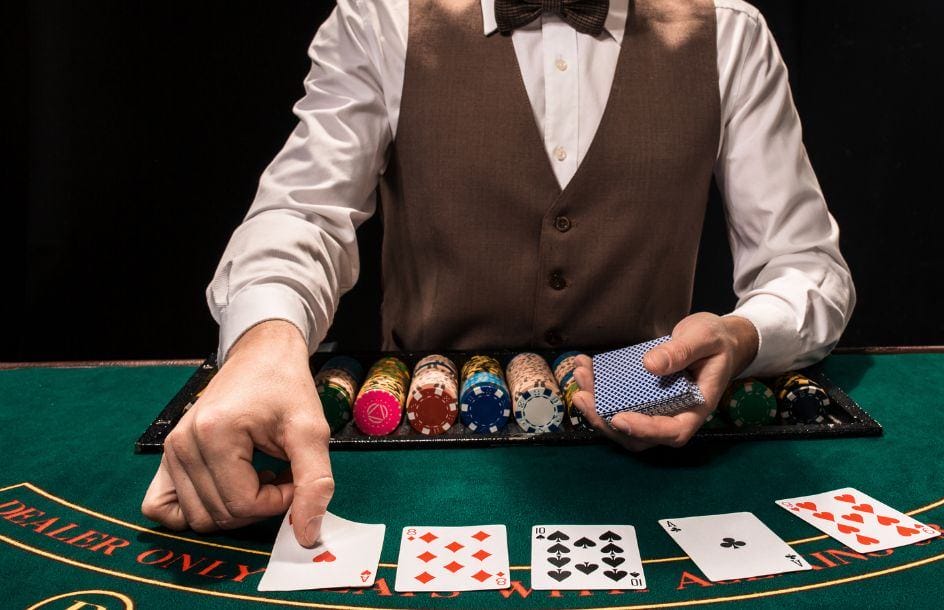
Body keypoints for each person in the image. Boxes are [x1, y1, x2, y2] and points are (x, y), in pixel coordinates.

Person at [142, 0, 856, 548]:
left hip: (645, 422)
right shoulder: (384, 17)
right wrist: (265, 341)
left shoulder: (727, 29)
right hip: (423, 444)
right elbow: (301, 213)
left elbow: (806, 267)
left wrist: (742, 335)